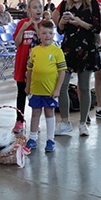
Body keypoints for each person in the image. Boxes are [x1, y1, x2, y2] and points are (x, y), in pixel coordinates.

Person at [55, 0, 101, 137]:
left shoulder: (92, 3)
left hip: (87, 49)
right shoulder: (65, 4)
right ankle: (65, 121)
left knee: (84, 87)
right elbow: (60, 30)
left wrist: (79, 22)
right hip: (68, 49)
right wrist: (62, 22)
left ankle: (83, 123)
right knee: (62, 86)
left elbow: (97, 28)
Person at [25, 20, 65, 153]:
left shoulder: (57, 51)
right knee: (35, 113)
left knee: (49, 113)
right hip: (36, 89)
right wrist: (28, 86)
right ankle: (32, 138)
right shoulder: (35, 50)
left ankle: (50, 140)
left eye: (50, 33)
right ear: (39, 34)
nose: (47, 35)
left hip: (50, 91)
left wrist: (57, 89)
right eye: (44, 33)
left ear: (54, 34)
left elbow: (62, 72)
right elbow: (29, 70)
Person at [12, 0, 44, 131]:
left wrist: (37, 29)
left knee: (37, 94)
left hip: (38, 65)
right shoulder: (22, 23)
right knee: (21, 93)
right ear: (29, 10)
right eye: (34, 7)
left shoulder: (44, 24)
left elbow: (45, 42)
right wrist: (22, 30)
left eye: (40, 7)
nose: (38, 10)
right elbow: (17, 43)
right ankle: (19, 120)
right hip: (22, 63)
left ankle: (36, 120)